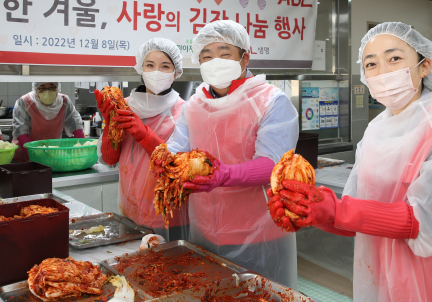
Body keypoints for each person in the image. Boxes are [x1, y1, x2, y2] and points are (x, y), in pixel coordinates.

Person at [269, 22, 432, 301]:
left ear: (424, 66)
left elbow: (428, 222)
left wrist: (336, 210)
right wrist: (308, 213)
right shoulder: (376, 131)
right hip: (392, 277)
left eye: (394, 59)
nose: (382, 72)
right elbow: (355, 211)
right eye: (371, 64)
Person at [115, 21, 299, 287]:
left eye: (225, 54)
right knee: (211, 291)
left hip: (259, 233)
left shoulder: (270, 101)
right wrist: (164, 161)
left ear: (245, 56)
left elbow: (273, 165)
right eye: (207, 56)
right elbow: (176, 150)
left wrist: (221, 174)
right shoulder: (195, 105)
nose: (215, 61)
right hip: (204, 231)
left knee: (262, 293)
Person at [96, 38, 188, 241]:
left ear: (176, 72)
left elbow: (179, 167)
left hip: (168, 214)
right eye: (150, 65)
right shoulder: (125, 106)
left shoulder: (184, 111)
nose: (156, 71)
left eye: (165, 66)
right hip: (130, 210)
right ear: (141, 68)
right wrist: (110, 126)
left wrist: (143, 134)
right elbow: (110, 159)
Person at [12, 82, 84, 161]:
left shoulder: (64, 101)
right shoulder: (24, 102)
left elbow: (76, 125)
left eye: (52, 87)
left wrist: (81, 151)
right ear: (36, 90)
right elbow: (21, 133)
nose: (47, 92)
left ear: (57, 88)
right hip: (24, 156)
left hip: (52, 154)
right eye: (42, 88)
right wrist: (33, 155)